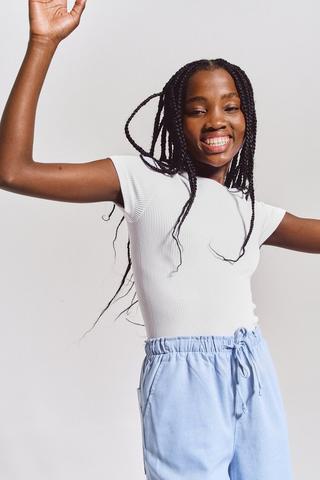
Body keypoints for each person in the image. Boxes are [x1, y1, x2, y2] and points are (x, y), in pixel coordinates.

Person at [1, 2, 319, 479]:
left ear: (247, 117)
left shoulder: (252, 212)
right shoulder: (141, 180)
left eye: (230, 106)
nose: (216, 120)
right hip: (183, 379)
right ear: (175, 120)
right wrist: (43, 44)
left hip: (251, 366)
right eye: (197, 110)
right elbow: (14, 171)